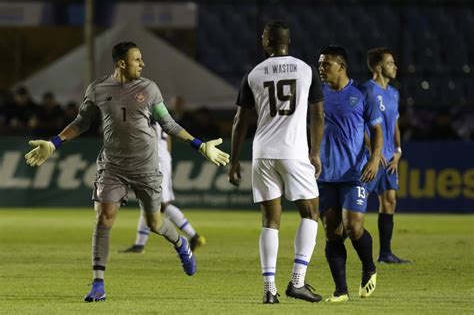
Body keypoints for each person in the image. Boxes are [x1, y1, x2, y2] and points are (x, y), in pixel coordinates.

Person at [24, 41, 229, 303]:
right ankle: (98, 283)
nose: (142, 64)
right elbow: (81, 122)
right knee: (104, 219)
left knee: (155, 223)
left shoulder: (149, 89)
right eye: (137, 60)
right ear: (122, 63)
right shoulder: (98, 89)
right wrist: (54, 142)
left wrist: (200, 145)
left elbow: (168, 123)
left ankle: (181, 244)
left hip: (146, 167)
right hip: (112, 167)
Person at [228, 21, 325, 304]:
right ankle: (297, 282)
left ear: (267, 42)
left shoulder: (254, 74)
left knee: (270, 221)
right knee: (310, 213)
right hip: (294, 150)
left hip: (263, 152)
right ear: (288, 41)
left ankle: (269, 290)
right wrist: (315, 152)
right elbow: (318, 115)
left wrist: (234, 161)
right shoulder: (305, 69)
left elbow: (239, 120)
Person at [317, 46, 383, 303]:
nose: (322, 69)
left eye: (326, 64)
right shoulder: (317, 95)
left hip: (355, 172)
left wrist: (375, 159)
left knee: (354, 227)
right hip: (324, 174)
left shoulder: (362, 92)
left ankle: (369, 267)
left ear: (341, 66)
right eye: (320, 64)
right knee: (332, 231)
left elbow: (377, 131)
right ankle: (340, 290)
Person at [121, 122, 206, 253]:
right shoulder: (156, 110)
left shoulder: (143, 111)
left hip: (155, 160)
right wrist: (167, 158)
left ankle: (194, 236)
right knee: (148, 201)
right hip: (161, 159)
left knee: (161, 204)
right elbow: (169, 137)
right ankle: (139, 245)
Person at [364, 48, 411, 264]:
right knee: (356, 206)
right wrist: (374, 151)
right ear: (378, 67)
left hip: (390, 157)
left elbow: (395, 126)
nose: (395, 66)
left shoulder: (394, 93)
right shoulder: (366, 90)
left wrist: (398, 151)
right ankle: (337, 245)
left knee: (390, 200)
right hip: (369, 158)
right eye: (390, 63)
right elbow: (361, 125)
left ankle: (385, 254)